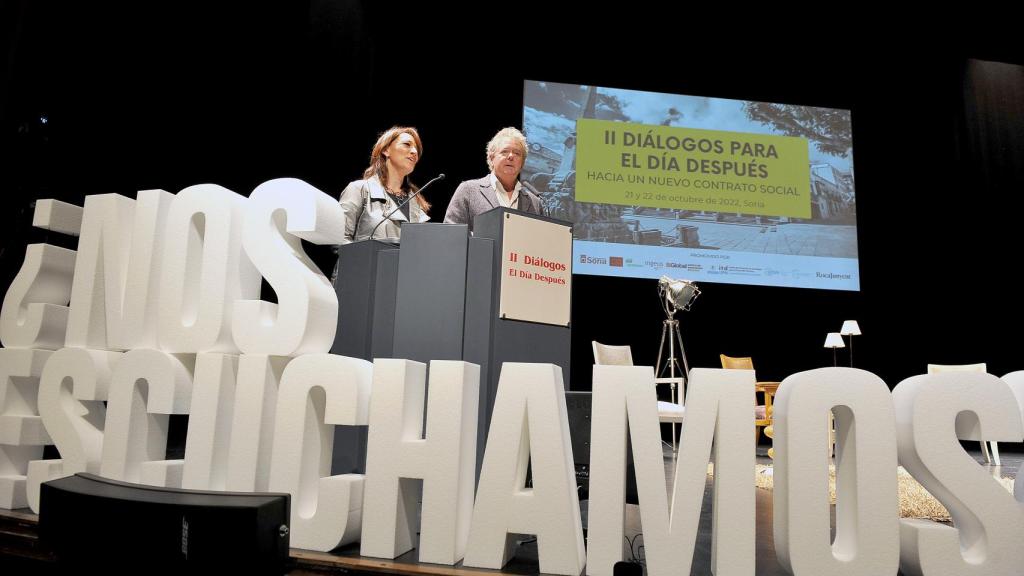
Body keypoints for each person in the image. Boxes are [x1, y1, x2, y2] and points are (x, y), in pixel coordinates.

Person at [339, 126, 431, 245]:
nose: (414, 152)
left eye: (416, 149)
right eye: (407, 144)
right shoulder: (359, 189)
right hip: (364, 263)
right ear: (386, 150)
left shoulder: (416, 204)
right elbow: (340, 238)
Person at [444, 127, 542, 232]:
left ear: (522, 163)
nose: (511, 156)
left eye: (517, 153)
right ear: (491, 157)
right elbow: (451, 234)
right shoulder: (468, 191)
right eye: (504, 151)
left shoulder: (535, 202)